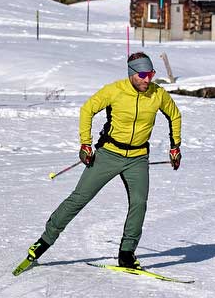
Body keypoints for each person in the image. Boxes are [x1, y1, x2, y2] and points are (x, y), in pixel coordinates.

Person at [14, 51, 182, 275]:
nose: (147, 79)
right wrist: (86, 144)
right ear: (132, 74)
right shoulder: (114, 90)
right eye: (142, 75)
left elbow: (175, 115)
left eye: (150, 74)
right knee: (79, 198)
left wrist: (175, 146)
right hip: (109, 154)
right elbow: (87, 110)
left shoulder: (158, 94)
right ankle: (42, 243)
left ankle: (127, 254)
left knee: (139, 203)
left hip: (138, 157)